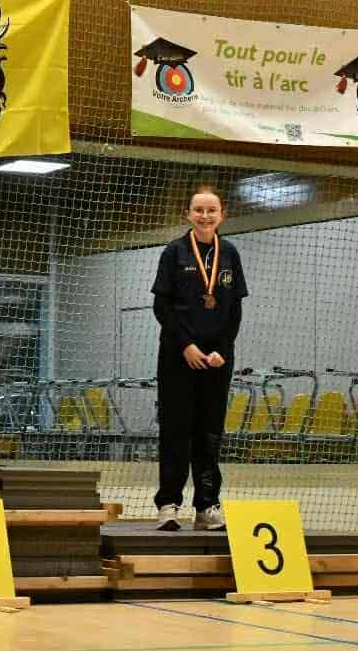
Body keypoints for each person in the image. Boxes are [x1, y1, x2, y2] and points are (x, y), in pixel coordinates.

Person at [151, 184, 247, 531]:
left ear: (222, 215)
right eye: (199, 210)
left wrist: (222, 349)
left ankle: (207, 505)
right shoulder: (174, 252)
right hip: (178, 357)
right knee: (176, 430)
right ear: (188, 214)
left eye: (211, 210)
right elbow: (162, 307)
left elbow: (234, 312)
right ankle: (169, 505)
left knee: (209, 433)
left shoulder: (230, 253)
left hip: (217, 360)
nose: (205, 216)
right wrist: (186, 346)